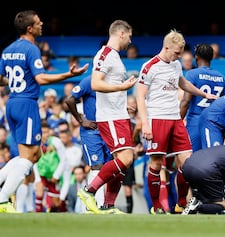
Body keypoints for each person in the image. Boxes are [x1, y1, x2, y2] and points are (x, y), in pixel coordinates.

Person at [0, 10, 88, 213]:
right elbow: (40, 79)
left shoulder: (7, 50)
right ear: (29, 28)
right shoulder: (32, 49)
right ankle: (3, 199)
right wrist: (68, 74)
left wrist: (14, 82)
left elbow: (0, 78)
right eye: (39, 23)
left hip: (12, 103)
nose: (43, 25)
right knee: (28, 158)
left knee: (34, 154)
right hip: (27, 104)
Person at [136, 29, 217, 214]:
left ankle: (181, 203)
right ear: (166, 47)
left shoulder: (176, 64)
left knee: (188, 163)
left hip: (176, 119)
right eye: (176, 53)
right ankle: (156, 206)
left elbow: (182, 83)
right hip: (157, 119)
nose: (179, 56)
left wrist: (203, 93)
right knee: (156, 164)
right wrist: (145, 123)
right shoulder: (150, 67)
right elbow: (140, 97)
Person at [76, 19, 138, 214]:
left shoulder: (115, 56)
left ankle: (108, 205)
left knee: (122, 163)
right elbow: (95, 83)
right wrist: (123, 87)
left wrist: (123, 102)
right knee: (126, 158)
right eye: (129, 35)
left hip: (119, 114)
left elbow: (108, 87)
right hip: (110, 117)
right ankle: (89, 191)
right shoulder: (105, 54)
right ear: (121, 33)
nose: (130, 40)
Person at [64, 75, 113, 210]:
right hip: (92, 131)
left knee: (108, 168)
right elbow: (70, 100)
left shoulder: (111, 81)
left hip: (108, 129)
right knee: (96, 166)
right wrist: (81, 120)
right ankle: (96, 204)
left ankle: (104, 204)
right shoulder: (89, 81)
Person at [180, 43, 225, 152]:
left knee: (191, 158)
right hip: (214, 123)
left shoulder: (192, 74)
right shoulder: (221, 77)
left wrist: (178, 122)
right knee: (211, 157)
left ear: (196, 57)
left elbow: (186, 101)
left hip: (195, 121)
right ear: (211, 58)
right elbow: (224, 104)